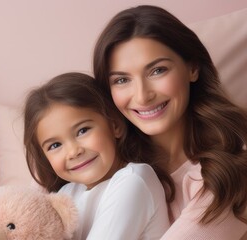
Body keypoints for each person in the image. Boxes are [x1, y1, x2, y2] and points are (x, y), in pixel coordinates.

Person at [92, 5, 247, 239]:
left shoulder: (239, 158)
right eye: (122, 80)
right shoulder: (101, 153)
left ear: (192, 68)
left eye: (157, 70)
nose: (142, 96)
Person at [23, 72, 171, 240]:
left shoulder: (134, 179)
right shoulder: (67, 194)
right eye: (55, 145)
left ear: (114, 125)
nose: (73, 151)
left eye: (82, 131)